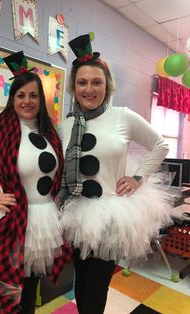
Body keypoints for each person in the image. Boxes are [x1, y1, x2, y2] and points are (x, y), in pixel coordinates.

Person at [58, 34, 173, 314]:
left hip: (108, 216)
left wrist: (138, 178)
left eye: (96, 82)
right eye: (82, 82)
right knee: (81, 283)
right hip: (74, 213)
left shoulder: (122, 115)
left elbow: (160, 145)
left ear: (107, 85)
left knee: (96, 288)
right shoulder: (66, 124)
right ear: (74, 87)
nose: (89, 89)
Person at [0, 51, 72, 314]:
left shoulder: (48, 132)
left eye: (33, 95)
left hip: (43, 220)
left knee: (29, 290)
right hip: (13, 220)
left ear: (41, 99)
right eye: (21, 95)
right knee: (11, 292)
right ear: (12, 98)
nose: (27, 101)